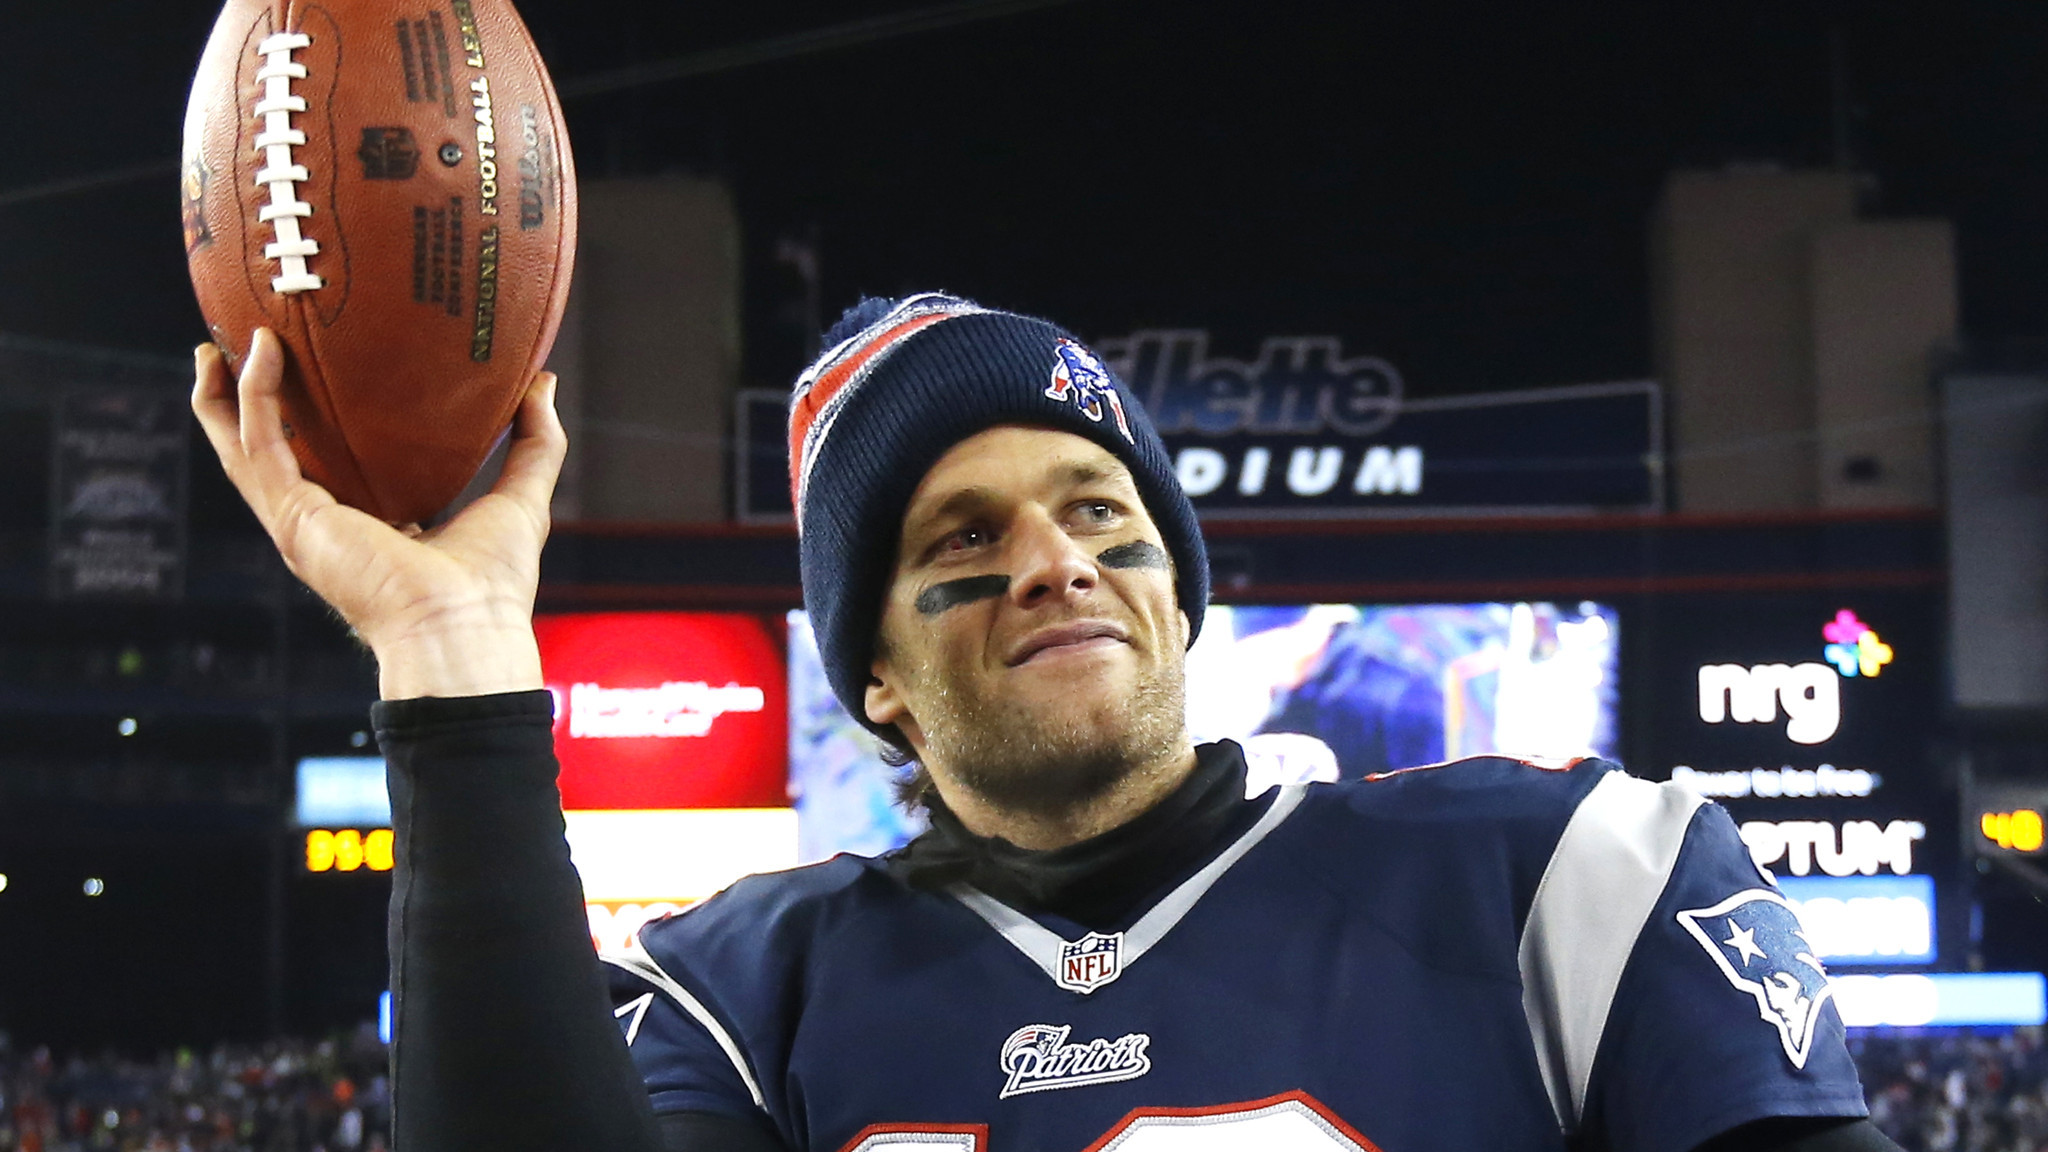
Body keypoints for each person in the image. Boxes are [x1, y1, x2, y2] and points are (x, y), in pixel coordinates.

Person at [192, 293, 1903, 1152]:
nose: (1052, 562)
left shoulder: (1572, 878)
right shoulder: (743, 998)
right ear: (873, 676)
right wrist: (452, 649)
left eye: (1099, 511)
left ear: (1178, 592)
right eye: (962, 540)